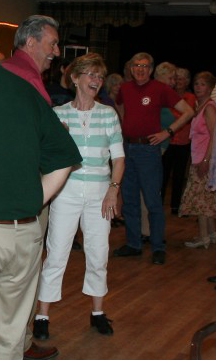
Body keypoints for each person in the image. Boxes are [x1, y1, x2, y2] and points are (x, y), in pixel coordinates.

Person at [33, 53, 125, 339]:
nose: (96, 81)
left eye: (100, 76)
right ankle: (42, 316)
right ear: (75, 78)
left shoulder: (108, 114)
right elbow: (45, 156)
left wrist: (113, 190)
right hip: (66, 194)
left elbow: (118, 159)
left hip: (100, 196)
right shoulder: (59, 114)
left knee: (99, 254)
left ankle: (97, 313)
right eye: (91, 75)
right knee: (56, 254)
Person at [0, 66, 82, 360]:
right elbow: (65, 155)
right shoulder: (25, 92)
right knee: (10, 333)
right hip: (20, 231)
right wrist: (37, 199)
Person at [113, 52, 194, 265]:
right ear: (131, 69)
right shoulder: (125, 88)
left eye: (144, 66)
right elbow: (120, 105)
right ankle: (133, 244)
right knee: (129, 200)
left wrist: (167, 132)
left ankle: (158, 246)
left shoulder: (160, 89)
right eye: (136, 65)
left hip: (148, 151)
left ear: (150, 69)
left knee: (153, 201)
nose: (140, 69)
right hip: (127, 148)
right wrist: (125, 125)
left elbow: (188, 112)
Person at [179, 71, 216, 249]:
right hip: (198, 157)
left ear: (210, 88)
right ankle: (210, 234)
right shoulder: (199, 106)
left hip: (204, 159)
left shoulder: (209, 107)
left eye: (202, 84)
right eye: (196, 84)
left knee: (200, 200)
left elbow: (214, 136)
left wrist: (206, 160)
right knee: (205, 198)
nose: (198, 87)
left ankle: (203, 237)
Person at [2, 15, 60, 106]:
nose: (57, 52)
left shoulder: (5, 66)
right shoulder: (29, 78)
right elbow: (41, 118)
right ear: (30, 43)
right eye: (53, 44)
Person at [161, 67, 196, 214]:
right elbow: (174, 116)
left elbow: (186, 117)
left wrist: (177, 117)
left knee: (179, 176)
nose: (179, 82)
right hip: (167, 141)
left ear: (187, 81)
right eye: (177, 79)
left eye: (182, 79)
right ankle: (159, 203)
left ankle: (176, 206)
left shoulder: (190, 98)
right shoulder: (169, 95)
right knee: (163, 174)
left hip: (183, 142)